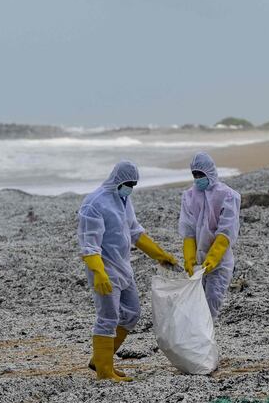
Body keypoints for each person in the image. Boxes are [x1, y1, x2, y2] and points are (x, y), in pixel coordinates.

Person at [78, 160, 178, 382]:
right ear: (117, 180)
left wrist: (160, 255)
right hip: (104, 268)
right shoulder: (94, 204)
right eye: (127, 183)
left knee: (132, 313)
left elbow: (135, 232)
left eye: (133, 184)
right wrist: (98, 272)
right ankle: (104, 371)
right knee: (108, 316)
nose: (130, 187)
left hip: (123, 266)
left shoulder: (124, 200)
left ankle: (100, 359)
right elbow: (89, 244)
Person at [179, 152, 241, 320]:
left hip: (220, 262)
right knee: (196, 306)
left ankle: (204, 342)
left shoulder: (228, 195)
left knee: (211, 302)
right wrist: (189, 258)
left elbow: (226, 231)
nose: (198, 178)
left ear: (210, 172)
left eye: (201, 174)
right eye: (195, 174)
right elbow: (188, 230)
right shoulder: (189, 196)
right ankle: (197, 341)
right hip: (198, 262)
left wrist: (213, 258)